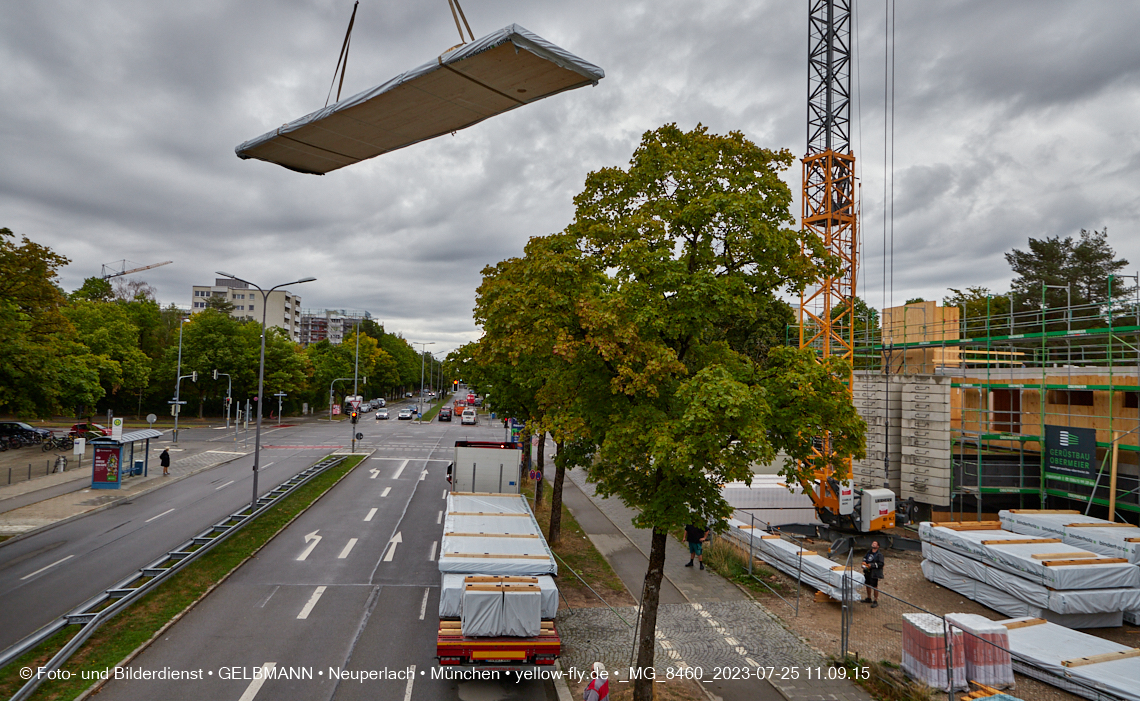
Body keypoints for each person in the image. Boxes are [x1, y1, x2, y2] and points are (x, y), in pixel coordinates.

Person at [861, 540, 885, 607]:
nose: (873, 544)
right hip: (867, 571)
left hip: (874, 573)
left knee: (874, 586)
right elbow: (865, 558)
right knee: (867, 584)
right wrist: (864, 562)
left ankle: (875, 600)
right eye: (873, 543)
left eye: (875, 543)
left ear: (878, 546)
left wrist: (872, 565)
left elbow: (881, 564)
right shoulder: (869, 552)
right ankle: (869, 598)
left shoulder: (879, 555)